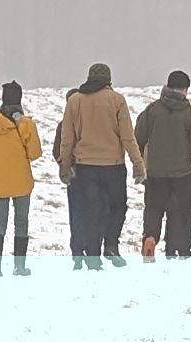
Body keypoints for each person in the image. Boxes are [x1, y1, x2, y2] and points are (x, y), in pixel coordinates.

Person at [54, 62, 136, 267]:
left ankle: (92, 256)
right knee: (117, 207)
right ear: (109, 79)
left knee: (91, 210)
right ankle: (110, 244)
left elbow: (67, 138)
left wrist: (65, 163)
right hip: (113, 166)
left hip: (85, 166)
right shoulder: (117, 100)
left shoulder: (75, 101)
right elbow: (127, 137)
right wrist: (138, 163)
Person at [134, 69, 191, 261]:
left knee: (154, 210)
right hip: (183, 176)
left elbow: (138, 139)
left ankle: (151, 238)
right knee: (182, 214)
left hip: (155, 174)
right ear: (185, 90)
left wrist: (139, 166)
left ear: (168, 87)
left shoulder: (152, 111)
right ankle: (179, 250)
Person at [0, 82, 45, 272]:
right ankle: (19, 267)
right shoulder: (26, 124)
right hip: (21, 182)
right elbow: (35, 153)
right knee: (21, 222)